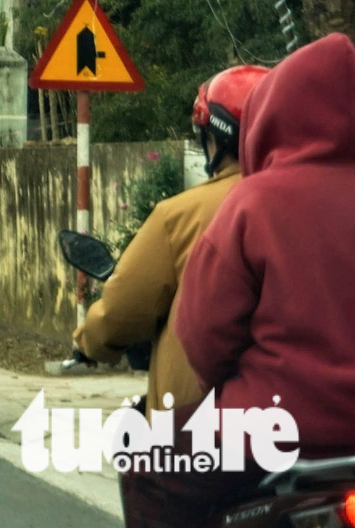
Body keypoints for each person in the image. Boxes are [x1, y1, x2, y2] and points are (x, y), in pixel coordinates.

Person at [67, 65, 265, 527]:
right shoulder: (320, 203)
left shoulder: (182, 216)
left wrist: (89, 341)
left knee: (148, 475)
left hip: (208, 431)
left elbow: (120, 312)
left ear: (214, 138)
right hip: (320, 433)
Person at [170, 33, 355, 522]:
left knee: (148, 465)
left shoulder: (255, 203)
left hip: (266, 430)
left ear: (273, 116)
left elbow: (203, 335)